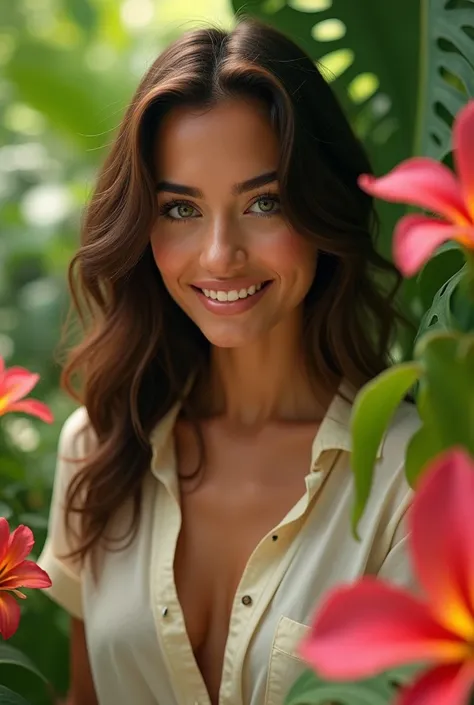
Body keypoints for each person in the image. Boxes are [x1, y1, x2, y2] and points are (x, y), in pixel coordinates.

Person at [38, 16, 419, 705]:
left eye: (264, 202)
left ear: (322, 206)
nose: (219, 255)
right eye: (181, 209)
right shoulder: (98, 452)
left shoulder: (413, 478)